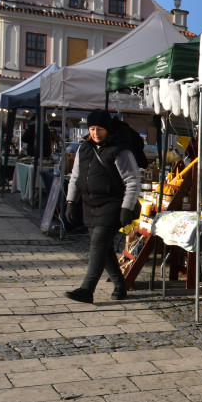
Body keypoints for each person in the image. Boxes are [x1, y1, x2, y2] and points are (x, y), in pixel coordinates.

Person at [62, 109, 141, 304]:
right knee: (103, 250)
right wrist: (71, 202)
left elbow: (133, 181)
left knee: (97, 244)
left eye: (100, 129)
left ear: (108, 129)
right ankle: (120, 286)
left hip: (112, 204)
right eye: (92, 128)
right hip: (89, 204)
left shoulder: (120, 150)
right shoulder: (84, 149)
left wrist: (126, 207)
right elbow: (74, 177)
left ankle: (87, 289)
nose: (96, 133)